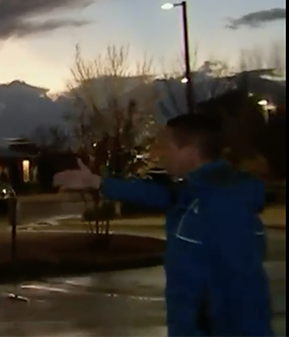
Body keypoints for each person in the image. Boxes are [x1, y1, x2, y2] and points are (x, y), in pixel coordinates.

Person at [54, 113, 273, 337]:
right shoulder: (195, 194)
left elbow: (245, 295)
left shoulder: (222, 206)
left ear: (190, 149)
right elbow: (157, 194)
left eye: (167, 145)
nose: (160, 153)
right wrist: (96, 182)